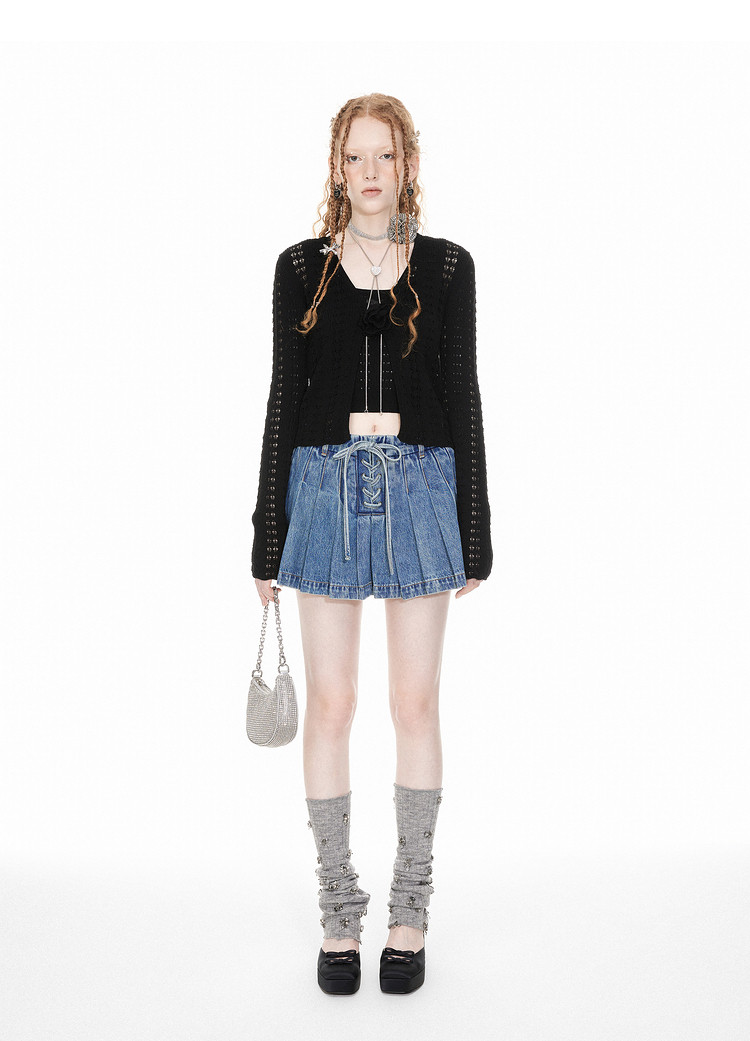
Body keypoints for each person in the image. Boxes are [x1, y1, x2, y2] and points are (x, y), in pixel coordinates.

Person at [250, 93, 493, 995]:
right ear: (336, 167)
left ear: (408, 164)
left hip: (423, 487)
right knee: (333, 703)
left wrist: (476, 526)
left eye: (383, 156)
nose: (369, 173)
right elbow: (283, 397)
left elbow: (463, 392)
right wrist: (266, 533)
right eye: (354, 157)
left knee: (414, 702)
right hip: (321, 489)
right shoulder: (299, 268)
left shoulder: (449, 266)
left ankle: (410, 911)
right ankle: (338, 912)